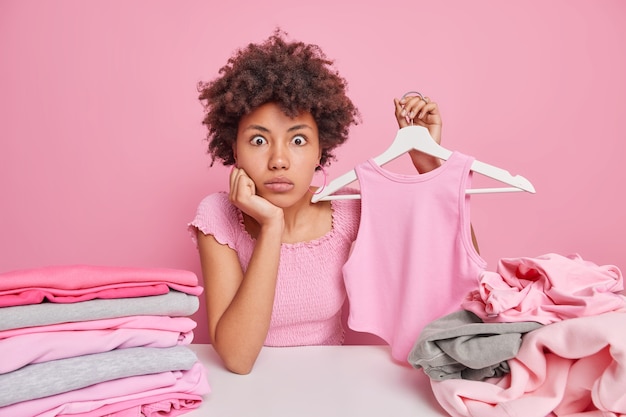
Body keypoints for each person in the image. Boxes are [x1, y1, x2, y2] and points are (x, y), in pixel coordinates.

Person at [189, 29, 449, 374]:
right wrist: (270, 226)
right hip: (244, 394)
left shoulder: (347, 207)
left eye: (297, 140)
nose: (278, 160)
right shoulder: (218, 215)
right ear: (234, 149)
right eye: (258, 140)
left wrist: (430, 164)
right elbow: (237, 358)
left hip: (329, 385)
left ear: (320, 150)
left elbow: (449, 262)